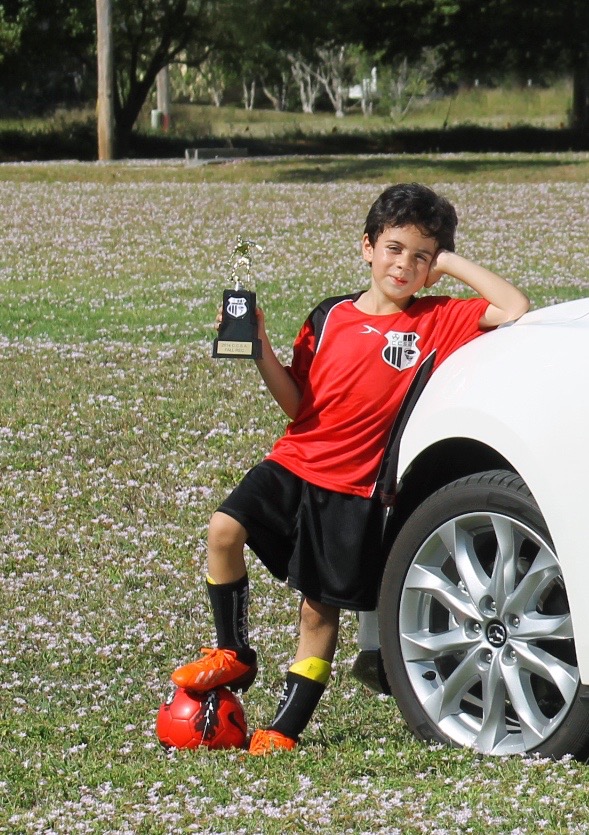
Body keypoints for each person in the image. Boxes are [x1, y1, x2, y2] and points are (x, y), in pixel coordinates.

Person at [171, 182, 530, 755]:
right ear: (366, 247)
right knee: (222, 531)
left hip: (355, 488)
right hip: (295, 460)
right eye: (393, 248)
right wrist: (260, 345)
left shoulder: (437, 319)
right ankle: (233, 654)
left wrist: (451, 264)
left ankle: (284, 730)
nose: (404, 265)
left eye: (421, 256)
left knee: (318, 610)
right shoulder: (329, 315)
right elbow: (297, 403)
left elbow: (514, 308)